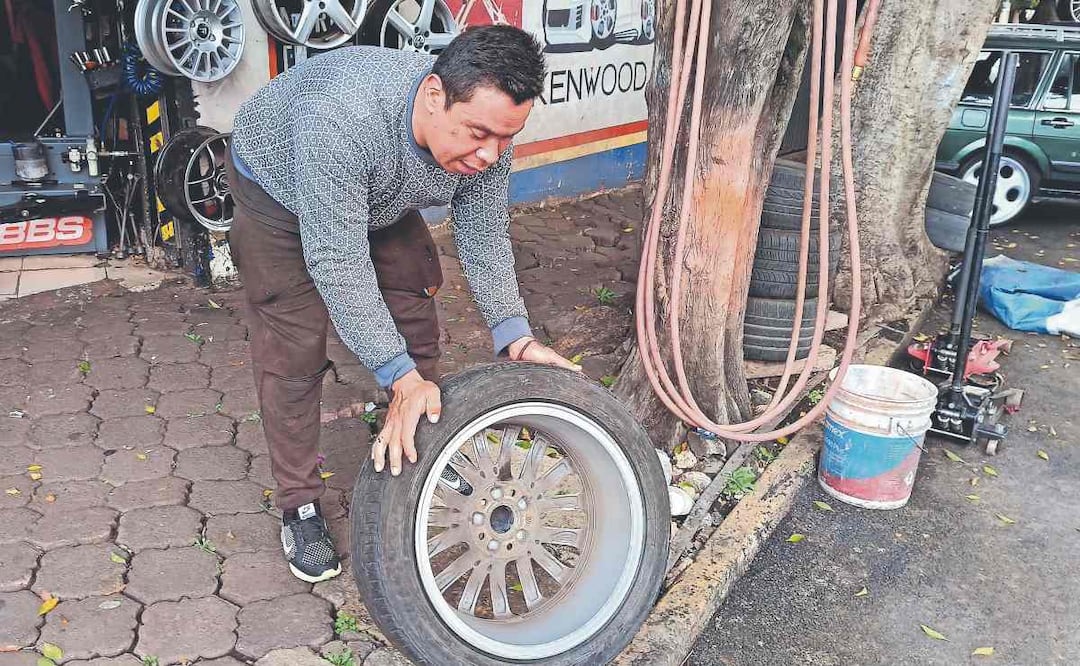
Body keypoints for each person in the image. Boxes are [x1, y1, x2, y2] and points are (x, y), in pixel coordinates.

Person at [225, 25, 581, 584]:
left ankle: (413, 437)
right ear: (435, 96)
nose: (490, 155)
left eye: (506, 139)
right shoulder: (341, 125)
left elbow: (483, 232)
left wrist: (514, 331)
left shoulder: (487, 139)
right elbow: (337, 260)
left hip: (378, 191)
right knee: (292, 350)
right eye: (479, 134)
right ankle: (299, 504)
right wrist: (396, 371)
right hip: (280, 191)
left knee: (415, 296)